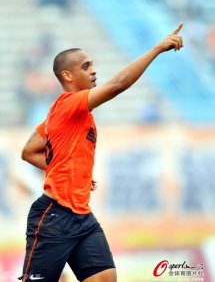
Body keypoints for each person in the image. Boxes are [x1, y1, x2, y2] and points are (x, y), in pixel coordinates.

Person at [19, 23, 184, 282]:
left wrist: (72, 170)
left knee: (105, 278)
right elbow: (118, 84)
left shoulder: (60, 113)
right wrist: (157, 49)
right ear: (67, 76)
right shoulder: (69, 104)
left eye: (93, 64)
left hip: (82, 216)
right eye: (85, 66)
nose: (94, 70)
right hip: (54, 215)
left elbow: (29, 151)